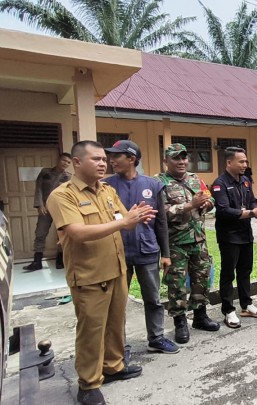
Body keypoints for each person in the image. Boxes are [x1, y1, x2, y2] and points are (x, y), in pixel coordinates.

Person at [46, 140, 156, 405]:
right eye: (95, 159)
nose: (103, 163)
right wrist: (124, 221)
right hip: (89, 274)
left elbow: (121, 219)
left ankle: (113, 366)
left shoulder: (106, 190)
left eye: (103, 159)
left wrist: (134, 217)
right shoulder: (62, 195)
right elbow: (77, 232)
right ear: (76, 162)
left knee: (116, 323)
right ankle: (89, 384)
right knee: (92, 330)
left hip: (116, 268)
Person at [104, 140, 179, 355]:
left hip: (147, 250)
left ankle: (156, 338)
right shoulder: (106, 186)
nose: (111, 160)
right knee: (118, 303)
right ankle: (120, 346)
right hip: (118, 252)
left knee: (153, 299)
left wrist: (165, 253)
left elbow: (161, 222)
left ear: (131, 159)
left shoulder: (152, 185)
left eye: (116, 156)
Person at [156, 143, 220, 344]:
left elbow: (209, 200)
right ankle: (180, 322)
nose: (182, 162)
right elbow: (161, 213)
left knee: (201, 279)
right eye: (176, 158)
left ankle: (200, 316)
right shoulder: (158, 183)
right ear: (166, 161)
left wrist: (207, 204)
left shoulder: (195, 179)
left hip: (199, 240)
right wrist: (189, 205)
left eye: (184, 158)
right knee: (177, 284)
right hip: (176, 243)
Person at [211, 147, 257, 328]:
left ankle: (246, 305)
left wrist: (256, 209)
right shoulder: (219, 183)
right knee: (228, 273)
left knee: (245, 271)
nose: (245, 164)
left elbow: (252, 200)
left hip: (246, 234)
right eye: (241, 161)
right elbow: (223, 211)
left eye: (246, 161)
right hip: (229, 236)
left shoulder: (245, 181)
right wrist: (251, 212)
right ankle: (228, 310)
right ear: (229, 162)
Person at [23, 152, 72, 271]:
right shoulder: (45, 172)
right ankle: (37, 261)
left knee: (62, 234)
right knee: (40, 233)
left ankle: (60, 260)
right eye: (64, 160)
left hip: (60, 209)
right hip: (45, 209)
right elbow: (38, 188)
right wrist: (39, 205)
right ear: (58, 160)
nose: (65, 163)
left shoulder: (68, 177)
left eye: (68, 162)